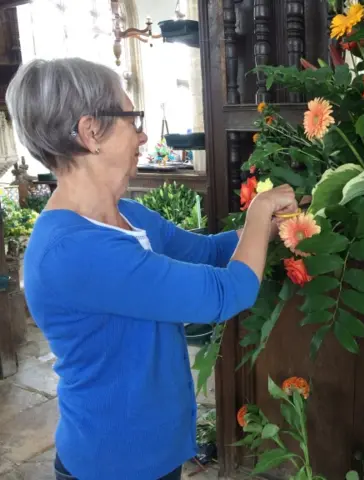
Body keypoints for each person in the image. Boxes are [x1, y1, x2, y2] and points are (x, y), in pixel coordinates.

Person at [6, 58, 298, 480]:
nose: (143, 134)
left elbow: (209, 252)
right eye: (132, 118)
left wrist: (273, 227)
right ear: (91, 133)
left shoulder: (128, 215)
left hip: (153, 450)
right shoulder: (72, 251)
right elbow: (227, 292)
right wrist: (258, 211)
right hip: (114, 461)